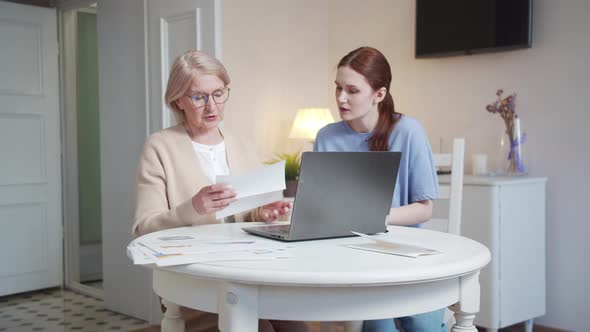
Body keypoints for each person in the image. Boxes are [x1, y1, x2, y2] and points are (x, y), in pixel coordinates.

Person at [133, 50, 307, 332]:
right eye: (199, 97)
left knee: (297, 328)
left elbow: (242, 213)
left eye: (218, 93)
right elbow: (144, 228)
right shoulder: (159, 147)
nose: (211, 106)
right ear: (178, 100)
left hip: (248, 271)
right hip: (194, 278)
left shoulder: (241, 143)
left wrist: (262, 211)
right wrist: (194, 207)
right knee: (261, 329)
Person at [314, 47, 445, 332]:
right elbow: (321, 210)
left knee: (424, 323)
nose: (340, 98)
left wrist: (370, 217)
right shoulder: (327, 137)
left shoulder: (408, 131)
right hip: (348, 258)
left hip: (405, 257)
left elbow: (424, 210)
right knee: (378, 327)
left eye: (352, 90)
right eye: (337, 88)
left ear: (379, 94)